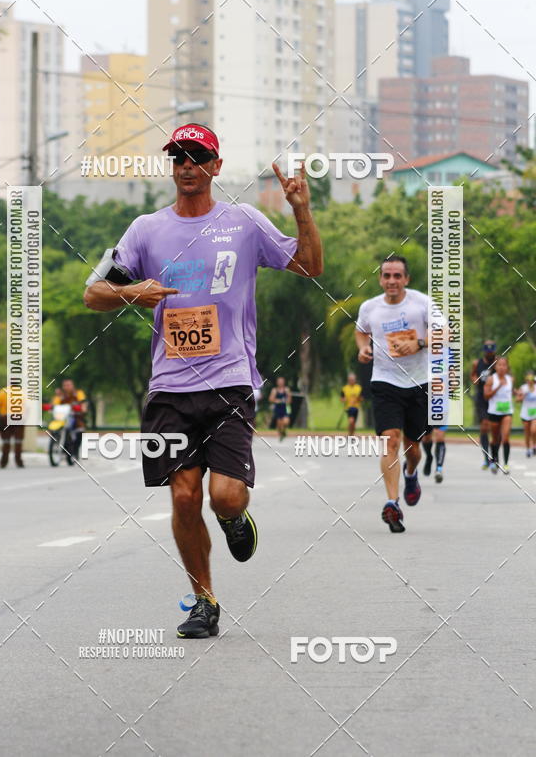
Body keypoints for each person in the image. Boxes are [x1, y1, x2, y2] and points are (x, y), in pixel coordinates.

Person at [84, 122, 322, 638]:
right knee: (184, 498)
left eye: (196, 156)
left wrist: (301, 210)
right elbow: (93, 293)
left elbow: (310, 265)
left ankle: (236, 519)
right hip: (168, 389)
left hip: (230, 382)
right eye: (177, 157)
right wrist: (133, 292)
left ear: (215, 167)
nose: (186, 165)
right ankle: (204, 601)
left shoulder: (244, 222)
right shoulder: (145, 229)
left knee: (225, 497)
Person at [355, 255, 442, 533]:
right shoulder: (370, 307)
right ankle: (392, 503)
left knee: (413, 447)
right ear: (380, 279)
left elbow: (447, 333)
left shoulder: (422, 303)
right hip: (384, 382)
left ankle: (411, 472)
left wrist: (419, 342)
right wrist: (363, 348)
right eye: (386, 276)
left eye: (397, 276)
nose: (391, 281)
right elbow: (361, 331)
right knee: (389, 441)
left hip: (418, 382)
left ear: (406, 279)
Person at [483, 356, 514, 474]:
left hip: (507, 412)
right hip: (494, 412)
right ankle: (495, 461)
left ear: (507, 367)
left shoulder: (511, 379)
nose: (502, 367)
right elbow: (486, 396)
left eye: (504, 365)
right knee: (495, 440)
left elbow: (511, 392)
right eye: (499, 365)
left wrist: (518, 394)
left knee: (505, 438)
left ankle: (506, 464)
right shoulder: (491, 379)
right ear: (495, 367)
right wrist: (498, 387)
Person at [471, 340, 497, 469]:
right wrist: (475, 380)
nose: (490, 353)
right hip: (481, 398)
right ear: (484, 352)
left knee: (495, 428)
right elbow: (473, 375)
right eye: (488, 351)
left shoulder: (498, 363)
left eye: (492, 351)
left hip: (494, 398)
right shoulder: (477, 363)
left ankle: (495, 457)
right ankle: (486, 458)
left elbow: (506, 376)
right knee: (485, 426)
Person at [52, 378, 88, 464]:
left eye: (68, 385)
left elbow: (83, 402)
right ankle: (55, 443)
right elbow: (54, 404)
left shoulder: (78, 393)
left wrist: (83, 408)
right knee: (53, 428)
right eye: (64, 385)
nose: (66, 387)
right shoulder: (60, 395)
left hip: (75, 416)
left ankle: (75, 451)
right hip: (62, 417)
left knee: (80, 430)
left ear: (72, 385)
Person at [0, 387, 25, 468]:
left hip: (5, 419)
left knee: (6, 441)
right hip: (19, 418)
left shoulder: (2, 392)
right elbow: (28, 407)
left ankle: (3, 462)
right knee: (18, 441)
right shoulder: (22, 393)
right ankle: (19, 461)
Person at [517, 372, 536, 458]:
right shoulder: (523, 388)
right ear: (526, 380)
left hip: (534, 413)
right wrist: (523, 396)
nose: (529, 381)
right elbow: (517, 399)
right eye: (528, 379)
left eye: (531, 379)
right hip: (525, 414)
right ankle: (528, 449)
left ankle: (534, 445)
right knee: (527, 433)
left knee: (533, 431)